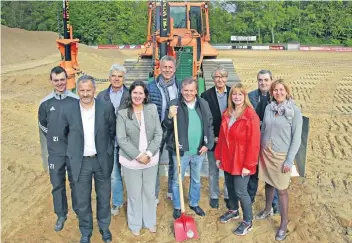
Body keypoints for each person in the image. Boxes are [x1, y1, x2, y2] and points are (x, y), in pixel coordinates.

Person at [58, 75, 116, 243]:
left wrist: (108, 151)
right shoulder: (68, 110)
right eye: (81, 90)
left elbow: (112, 132)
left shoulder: (105, 108)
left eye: (88, 90)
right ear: (77, 91)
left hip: (101, 160)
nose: (85, 94)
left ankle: (104, 228)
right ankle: (86, 231)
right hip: (80, 163)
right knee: (82, 199)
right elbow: (64, 134)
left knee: (104, 198)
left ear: (94, 90)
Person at [255, 79, 303, 241]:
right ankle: (267, 209)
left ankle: (283, 224)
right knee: (268, 182)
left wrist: (289, 160)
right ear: (272, 92)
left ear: (287, 92)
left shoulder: (294, 111)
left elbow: (296, 139)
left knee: (281, 189)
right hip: (266, 152)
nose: (278, 93)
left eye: (281, 90)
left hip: (282, 155)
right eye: (275, 90)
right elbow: (264, 129)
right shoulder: (269, 107)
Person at [163, 77, 214, 220]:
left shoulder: (203, 104)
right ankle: (178, 206)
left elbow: (209, 125)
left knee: (196, 179)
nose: (189, 93)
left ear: (196, 91)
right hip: (181, 151)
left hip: (198, 150)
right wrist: (168, 115)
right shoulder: (174, 105)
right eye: (186, 90)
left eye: (192, 90)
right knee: (176, 180)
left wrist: (208, 143)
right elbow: (166, 126)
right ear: (181, 90)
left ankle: (194, 202)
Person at [116, 81, 162, 236]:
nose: (137, 96)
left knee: (149, 192)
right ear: (130, 94)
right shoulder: (123, 113)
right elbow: (121, 139)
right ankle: (135, 223)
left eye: (140, 93)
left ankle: (150, 221)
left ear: (145, 95)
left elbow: (158, 134)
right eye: (134, 93)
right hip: (131, 162)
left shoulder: (152, 109)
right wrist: (137, 155)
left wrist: (148, 154)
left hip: (150, 160)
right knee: (134, 194)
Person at [215, 83, 260, 236]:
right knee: (230, 186)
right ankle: (233, 211)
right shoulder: (227, 113)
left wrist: (248, 164)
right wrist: (218, 156)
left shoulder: (250, 115)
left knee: (241, 191)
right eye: (234, 94)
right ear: (231, 96)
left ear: (244, 96)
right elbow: (222, 137)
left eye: (240, 94)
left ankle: (248, 221)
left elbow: (254, 143)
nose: (237, 97)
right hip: (228, 158)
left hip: (242, 161)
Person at [38, 66, 79, 232]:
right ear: (51, 81)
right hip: (55, 153)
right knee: (57, 184)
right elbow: (43, 125)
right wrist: (56, 137)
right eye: (56, 80)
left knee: (76, 183)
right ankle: (61, 214)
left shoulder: (76, 100)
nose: (60, 83)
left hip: (73, 152)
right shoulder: (45, 103)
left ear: (67, 79)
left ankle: (79, 211)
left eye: (62, 79)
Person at [147, 55, 182, 203]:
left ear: (174, 69)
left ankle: (170, 190)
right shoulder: (151, 87)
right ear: (159, 68)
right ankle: (154, 193)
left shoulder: (180, 87)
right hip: (158, 130)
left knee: (175, 161)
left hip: (174, 130)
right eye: (164, 67)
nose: (167, 70)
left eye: (170, 67)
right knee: (154, 162)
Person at [96, 64, 129, 216]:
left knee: (130, 174)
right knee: (114, 175)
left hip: (127, 142)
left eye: (120, 76)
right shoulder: (101, 96)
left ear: (124, 78)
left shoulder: (130, 95)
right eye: (114, 76)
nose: (116, 79)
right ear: (109, 78)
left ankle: (134, 202)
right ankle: (117, 202)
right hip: (109, 142)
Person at [248, 69, 280, 214]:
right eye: (260, 80)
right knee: (253, 171)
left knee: (271, 173)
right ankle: (250, 198)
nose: (263, 83)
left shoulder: (277, 97)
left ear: (271, 80)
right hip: (254, 141)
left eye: (266, 80)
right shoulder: (250, 96)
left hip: (272, 143)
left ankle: (275, 202)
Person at [200, 66, 230, 209]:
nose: (220, 79)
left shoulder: (233, 93)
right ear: (213, 79)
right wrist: (212, 137)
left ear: (226, 78)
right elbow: (205, 120)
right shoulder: (206, 95)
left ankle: (228, 194)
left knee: (229, 168)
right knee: (213, 168)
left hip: (230, 140)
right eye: (217, 77)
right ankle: (213, 194)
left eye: (223, 76)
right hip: (215, 139)